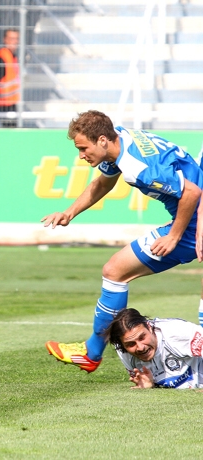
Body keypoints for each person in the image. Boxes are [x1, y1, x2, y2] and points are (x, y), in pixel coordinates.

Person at [42, 110, 203, 373]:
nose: (81, 155)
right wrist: (69, 213)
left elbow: (191, 192)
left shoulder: (137, 167)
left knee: (115, 272)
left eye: (83, 148)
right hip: (194, 213)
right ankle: (92, 351)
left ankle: (92, 352)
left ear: (102, 140)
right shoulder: (121, 140)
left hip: (192, 223)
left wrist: (173, 236)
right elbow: (104, 183)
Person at [105, 308, 203, 389]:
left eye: (142, 337)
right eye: (131, 344)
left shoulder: (177, 333)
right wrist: (149, 385)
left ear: (149, 327)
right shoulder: (123, 351)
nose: (140, 347)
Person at [0, 28, 20, 128]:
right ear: (5, 40)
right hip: (1, 105)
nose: (14, 41)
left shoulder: (13, 56)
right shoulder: (1, 56)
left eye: (16, 39)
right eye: (11, 38)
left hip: (11, 103)